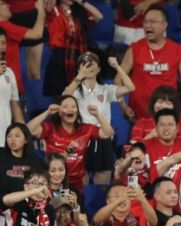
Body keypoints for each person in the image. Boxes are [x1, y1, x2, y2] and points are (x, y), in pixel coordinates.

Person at [64, 52, 136, 185]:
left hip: (103, 138)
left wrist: (117, 66)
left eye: (92, 64)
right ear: (79, 69)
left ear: (99, 69)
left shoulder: (106, 90)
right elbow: (65, 96)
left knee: (103, 181)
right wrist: (79, 77)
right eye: (84, 64)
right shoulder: (75, 91)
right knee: (81, 180)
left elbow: (130, 87)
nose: (88, 67)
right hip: (81, 139)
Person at [116, 7, 181, 125]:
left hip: (168, 119)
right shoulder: (134, 49)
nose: (148, 25)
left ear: (164, 25)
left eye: (152, 22)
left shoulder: (177, 50)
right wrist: (123, 105)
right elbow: (118, 78)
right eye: (145, 22)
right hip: (138, 118)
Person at [27, 97, 115, 193]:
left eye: (73, 106)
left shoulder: (85, 129)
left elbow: (108, 133)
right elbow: (28, 130)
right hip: (55, 180)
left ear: (78, 111)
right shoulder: (50, 128)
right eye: (65, 107)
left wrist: (97, 115)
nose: (70, 109)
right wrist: (47, 113)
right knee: (58, 202)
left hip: (77, 182)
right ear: (59, 112)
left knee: (75, 202)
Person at [42, 0, 103, 97]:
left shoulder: (78, 14)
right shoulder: (54, 10)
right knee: (60, 95)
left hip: (78, 56)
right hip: (60, 57)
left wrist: (81, 2)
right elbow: (49, 6)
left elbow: (99, 16)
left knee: (79, 94)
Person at [0, 0, 45, 97]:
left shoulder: (6, 26)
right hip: (10, 88)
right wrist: (41, 11)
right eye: (3, 3)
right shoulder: (4, 26)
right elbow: (37, 34)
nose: (8, 5)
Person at [0, 123, 45, 195]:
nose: (12, 139)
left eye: (17, 136)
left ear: (26, 140)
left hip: (27, 199)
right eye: (9, 136)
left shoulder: (36, 161)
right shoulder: (1, 154)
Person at [0, 33, 22, 143]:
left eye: (3, 43)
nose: (1, 47)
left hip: (5, 139)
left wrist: (24, 132)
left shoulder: (9, 72)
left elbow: (15, 106)